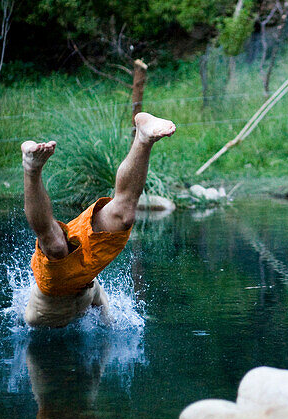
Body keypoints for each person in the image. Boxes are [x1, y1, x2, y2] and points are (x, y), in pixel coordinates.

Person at [21, 112, 176, 327]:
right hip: (52, 287)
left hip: (81, 273)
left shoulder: (90, 286)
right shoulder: (84, 293)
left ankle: (143, 137)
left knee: (124, 215)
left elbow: (107, 320)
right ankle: (31, 168)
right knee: (56, 246)